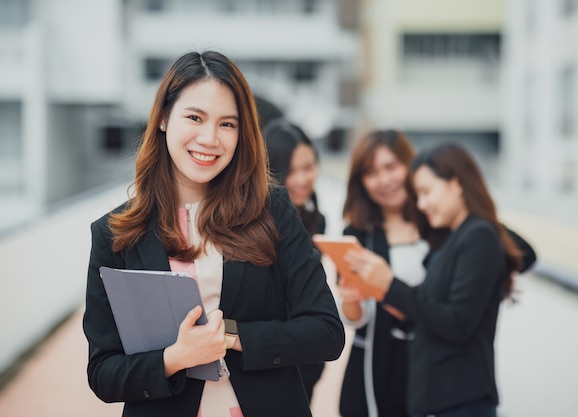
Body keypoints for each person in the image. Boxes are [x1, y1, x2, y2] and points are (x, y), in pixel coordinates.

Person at [82, 50, 345, 417]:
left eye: (227, 124)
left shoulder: (272, 210)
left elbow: (326, 332)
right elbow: (103, 373)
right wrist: (175, 358)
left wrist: (230, 337)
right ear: (162, 118)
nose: (210, 138)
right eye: (194, 117)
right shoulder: (115, 233)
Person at [345, 142, 526, 417]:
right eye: (418, 195)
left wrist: (391, 285)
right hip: (443, 398)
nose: (422, 204)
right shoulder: (451, 240)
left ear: (457, 183)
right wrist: (398, 306)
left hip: (462, 397)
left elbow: (458, 322)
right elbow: (436, 310)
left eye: (427, 192)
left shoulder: (479, 235)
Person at [337, 129, 438, 417]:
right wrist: (350, 299)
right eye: (371, 172)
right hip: (375, 364)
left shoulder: (438, 223)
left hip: (429, 360)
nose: (384, 181)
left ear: (411, 166)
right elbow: (354, 320)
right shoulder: (357, 235)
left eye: (391, 167)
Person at [264, 118, 326, 402]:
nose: (303, 179)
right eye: (291, 170)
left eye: (309, 167)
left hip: (305, 358)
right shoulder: (255, 226)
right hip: (265, 357)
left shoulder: (316, 219)